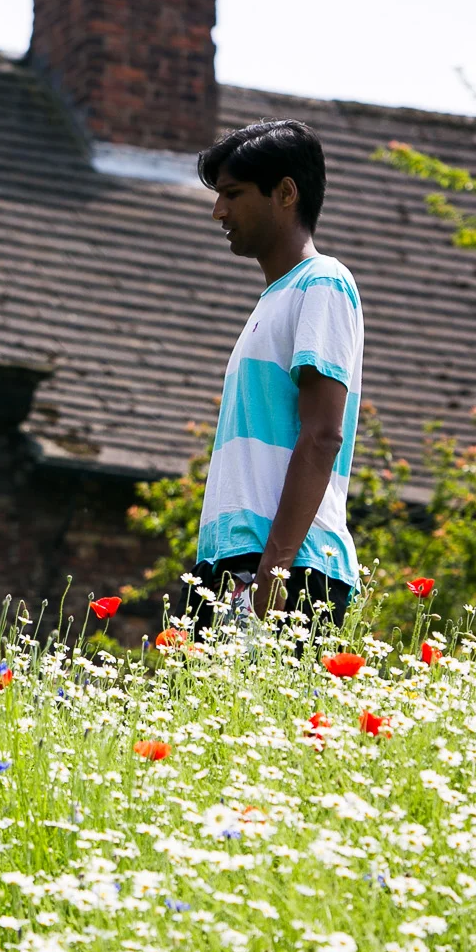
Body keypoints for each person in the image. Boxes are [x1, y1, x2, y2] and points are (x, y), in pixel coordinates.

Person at [189, 119, 364, 628]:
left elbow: (323, 434)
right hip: (238, 562)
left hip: (284, 570)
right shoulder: (276, 298)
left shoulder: (323, 282)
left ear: (286, 193)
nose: (218, 211)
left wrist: (275, 569)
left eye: (233, 193)